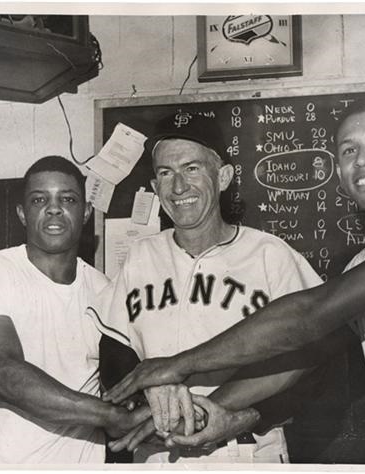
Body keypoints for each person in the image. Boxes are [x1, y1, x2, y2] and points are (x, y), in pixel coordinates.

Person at [105, 99, 365, 466]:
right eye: (348, 151)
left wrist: (175, 367)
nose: (363, 160)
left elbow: (308, 318)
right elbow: (306, 352)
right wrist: (218, 411)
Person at [90, 113, 323, 463]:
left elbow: (314, 360)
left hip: (246, 449)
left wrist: (246, 416)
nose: (178, 187)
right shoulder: (142, 255)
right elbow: (113, 353)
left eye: (192, 168)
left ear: (224, 176)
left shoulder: (270, 255)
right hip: (159, 452)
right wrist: (150, 392)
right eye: (166, 173)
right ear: (155, 188)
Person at [0, 156, 150, 464]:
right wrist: (109, 415)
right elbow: (4, 376)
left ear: (85, 213)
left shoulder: (106, 290)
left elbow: (126, 382)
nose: (53, 208)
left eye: (67, 199)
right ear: (22, 213)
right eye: (39, 199)